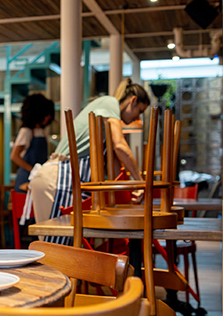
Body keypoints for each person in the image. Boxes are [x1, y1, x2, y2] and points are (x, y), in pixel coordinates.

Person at [30, 78, 150, 244]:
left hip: (67, 179)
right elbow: (120, 146)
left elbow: (116, 171)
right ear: (133, 101)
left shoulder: (106, 125)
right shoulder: (110, 103)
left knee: (68, 248)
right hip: (58, 178)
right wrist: (139, 182)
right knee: (57, 250)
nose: (138, 118)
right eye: (140, 111)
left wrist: (129, 194)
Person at [11, 93, 55, 193]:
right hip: (26, 178)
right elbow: (14, 156)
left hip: (39, 179)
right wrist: (34, 170)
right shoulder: (26, 131)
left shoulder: (43, 132)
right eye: (46, 114)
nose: (48, 117)